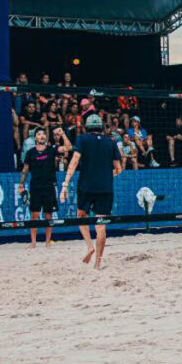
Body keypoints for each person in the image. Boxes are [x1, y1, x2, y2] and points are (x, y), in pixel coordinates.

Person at [60, 114, 123, 270]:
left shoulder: (82, 139)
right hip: (105, 187)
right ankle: (98, 262)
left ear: (87, 127)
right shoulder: (111, 142)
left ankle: (89, 246)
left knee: (81, 216)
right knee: (101, 225)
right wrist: (108, 175)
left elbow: (74, 162)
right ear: (101, 127)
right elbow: (119, 169)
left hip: (86, 186)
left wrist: (65, 184)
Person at [18, 128, 71, 248]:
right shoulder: (30, 153)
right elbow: (25, 170)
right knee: (34, 216)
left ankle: (48, 241)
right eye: (39, 134)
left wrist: (62, 134)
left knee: (49, 216)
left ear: (46, 138)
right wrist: (21, 185)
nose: (41, 136)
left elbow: (68, 147)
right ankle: (33, 243)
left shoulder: (51, 150)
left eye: (43, 134)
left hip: (49, 187)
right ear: (35, 138)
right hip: (35, 187)